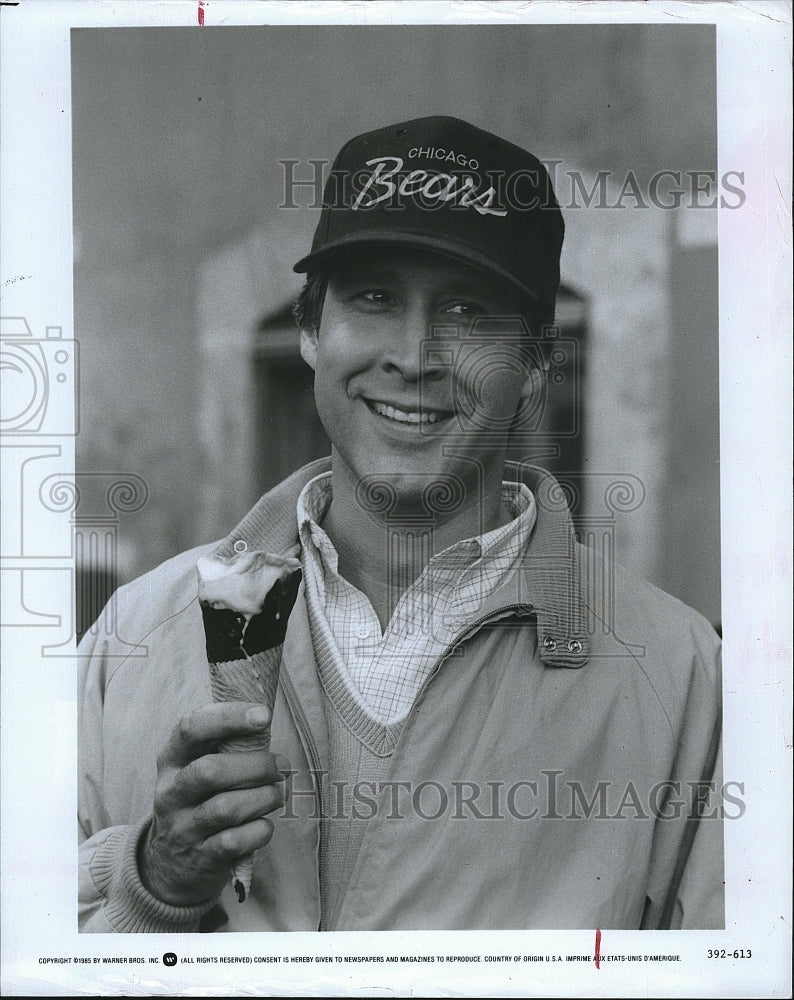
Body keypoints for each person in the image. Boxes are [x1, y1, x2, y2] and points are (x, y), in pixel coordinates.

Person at [78, 115, 723, 932]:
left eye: (468, 309)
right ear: (311, 330)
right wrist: (156, 885)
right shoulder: (133, 636)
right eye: (374, 297)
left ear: (534, 365)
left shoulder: (681, 677)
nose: (414, 354)